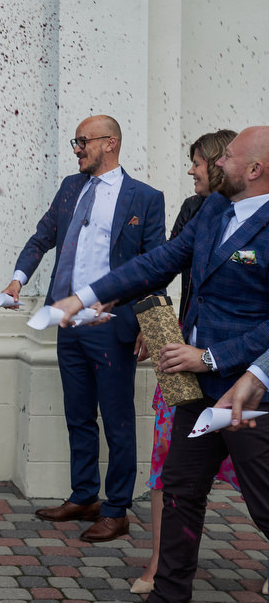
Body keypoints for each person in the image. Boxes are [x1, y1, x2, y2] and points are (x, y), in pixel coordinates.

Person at [53, 126, 269, 602]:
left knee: (264, 503)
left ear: (254, 170)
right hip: (197, 390)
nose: (218, 162)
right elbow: (160, 261)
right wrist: (85, 295)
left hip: (250, 394)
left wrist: (211, 357)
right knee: (180, 491)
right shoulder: (214, 208)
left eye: (229, 157)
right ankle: (168, 594)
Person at [1, 115, 165, 542]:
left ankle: (116, 509)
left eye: (82, 141)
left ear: (110, 143)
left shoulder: (145, 198)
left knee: (117, 420)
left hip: (113, 324)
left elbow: (157, 266)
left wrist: (153, 325)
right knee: (78, 415)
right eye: (75, 142)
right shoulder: (70, 188)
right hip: (68, 321)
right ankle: (84, 496)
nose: (76, 149)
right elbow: (41, 237)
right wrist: (18, 278)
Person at [130, 130, 240, 594]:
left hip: (241, 365)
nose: (190, 170)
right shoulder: (194, 209)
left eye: (196, 162)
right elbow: (163, 268)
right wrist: (152, 324)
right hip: (182, 354)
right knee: (167, 463)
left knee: (257, 472)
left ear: (217, 164)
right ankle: (160, 563)